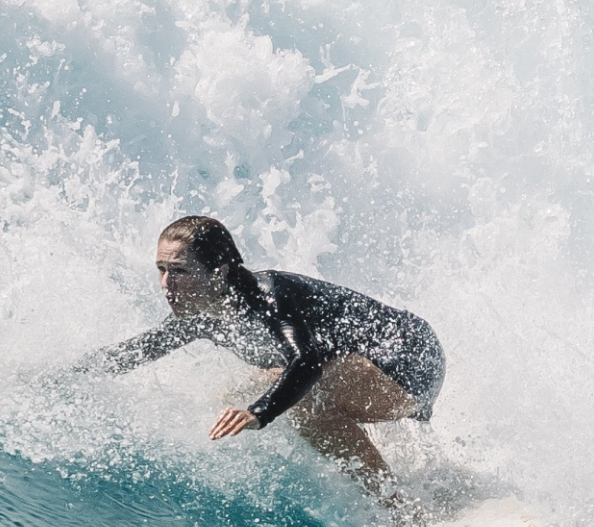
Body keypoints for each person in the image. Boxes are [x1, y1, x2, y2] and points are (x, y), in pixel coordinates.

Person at [75, 216, 444, 510]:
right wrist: (62, 374)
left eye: (181, 271)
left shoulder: (269, 299)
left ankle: (398, 507)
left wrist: (260, 413)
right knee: (228, 393)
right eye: (161, 269)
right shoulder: (200, 314)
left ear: (218, 272)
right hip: (361, 368)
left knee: (299, 399)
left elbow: (308, 363)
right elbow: (135, 352)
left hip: (410, 361)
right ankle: (400, 465)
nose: (166, 283)